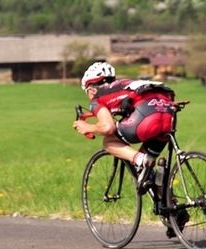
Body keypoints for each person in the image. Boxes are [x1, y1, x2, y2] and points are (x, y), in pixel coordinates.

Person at [72, 61, 188, 238]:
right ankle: (172, 210)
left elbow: (107, 127)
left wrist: (88, 127)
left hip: (147, 118)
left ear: (92, 87)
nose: (88, 96)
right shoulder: (125, 85)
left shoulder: (97, 98)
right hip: (167, 110)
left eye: (87, 91)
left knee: (109, 142)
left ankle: (141, 160)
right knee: (148, 170)